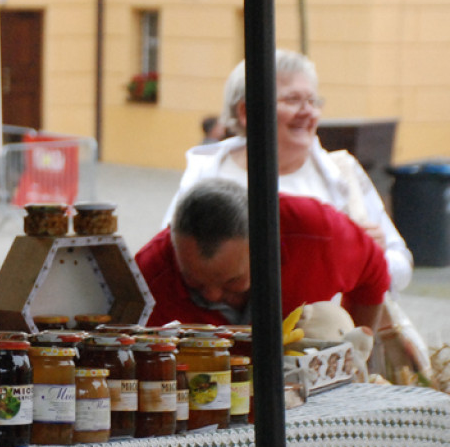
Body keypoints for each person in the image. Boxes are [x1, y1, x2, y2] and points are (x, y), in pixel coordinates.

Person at [162, 50, 413, 293]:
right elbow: (168, 257)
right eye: (293, 100)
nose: (308, 112)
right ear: (246, 112)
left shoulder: (341, 173)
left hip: (328, 334)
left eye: (313, 101)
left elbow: (401, 265)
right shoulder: (209, 173)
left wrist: (376, 257)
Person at [136, 178, 390, 331]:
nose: (212, 295)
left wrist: (356, 351)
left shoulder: (317, 234)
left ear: (262, 243)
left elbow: (374, 271)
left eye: (231, 282)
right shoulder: (146, 279)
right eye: (193, 282)